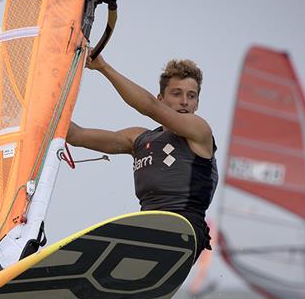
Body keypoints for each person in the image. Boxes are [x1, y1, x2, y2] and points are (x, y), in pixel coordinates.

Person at [67, 55, 218, 261]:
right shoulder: (138, 139)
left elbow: (150, 108)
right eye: (177, 94)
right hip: (147, 225)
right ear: (161, 98)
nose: (184, 101)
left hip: (186, 227)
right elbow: (77, 136)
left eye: (191, 96)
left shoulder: (199, 131)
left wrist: (103, 67)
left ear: (197, 103)